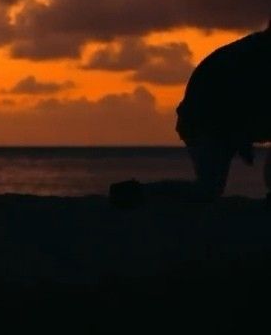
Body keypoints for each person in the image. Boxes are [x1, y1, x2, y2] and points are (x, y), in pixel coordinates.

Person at [110, 21, 271, 208]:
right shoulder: (255, 57)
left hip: (218, 119)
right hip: (204, 121)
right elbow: (235, 101)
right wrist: (242, 137)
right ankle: (136, 193)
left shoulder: (256, 51)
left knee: (208, 189)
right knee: (207, 190)